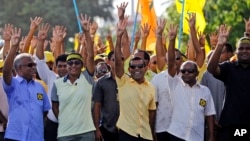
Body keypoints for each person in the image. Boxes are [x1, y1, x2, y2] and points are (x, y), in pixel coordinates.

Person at [167, 24, 215, 141]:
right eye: (183, 71)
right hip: (176, 135)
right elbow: (171, 63)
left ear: (197, 74)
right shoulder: (175, 84)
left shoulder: (205, 91)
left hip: (196, 137)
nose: (186, 73)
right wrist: (172, 40)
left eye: (190, 71)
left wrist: (211, 136)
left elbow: (209, 114)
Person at [51, 14, 96, 141]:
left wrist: (87, 32)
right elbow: (55, 105)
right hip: (66, 132)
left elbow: (91, 56)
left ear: (82, 65)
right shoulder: (58, 83)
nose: (73, 65)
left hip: (86, 131)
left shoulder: (87, 78)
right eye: (70, 63)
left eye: (77, 62)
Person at [2, 27, 51, 141]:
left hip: (36, 137)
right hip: (15, 136)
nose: (34, 67)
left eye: (34, 65)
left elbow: (44, 111)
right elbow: (6, 71)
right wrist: (13, 46)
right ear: (19, 68)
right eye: (30, 65)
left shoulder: (40, 87)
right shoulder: (12, 84)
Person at [114, 18, 156, 141]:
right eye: (132, 66)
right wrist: (118, 38)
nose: (136, 69)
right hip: (127, 133)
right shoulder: (123, 82)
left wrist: (152, 133)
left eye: (140, 66)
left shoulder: (151, 87)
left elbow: (152, 113)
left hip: (145, 134)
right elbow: (118, 62)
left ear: (146, 68)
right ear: (129, 69)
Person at [207, 25, 250, 140]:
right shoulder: (229, 68)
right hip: (230, 125)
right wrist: (220, 45)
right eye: (241, 48)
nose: (244, 51)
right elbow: (211, 69)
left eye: (248, 48)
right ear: (236, 52)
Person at [34, 22, 68, 141]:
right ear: (56, 67)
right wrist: (40, 41)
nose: (63, 69)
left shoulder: (78, 81)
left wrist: (60, 43)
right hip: (51, 126)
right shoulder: (51, 77)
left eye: (65, 66)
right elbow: (39, 61)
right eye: (60, 66)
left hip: (71, 127)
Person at [92, 50, 119, 141]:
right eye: (114, 59)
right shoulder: (101, 82)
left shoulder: (129, 81)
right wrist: (97, 129)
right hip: (107, 129)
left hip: (126, 130)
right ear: (108, 61)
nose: (118, 62)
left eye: (121, 59)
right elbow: (97, 106)